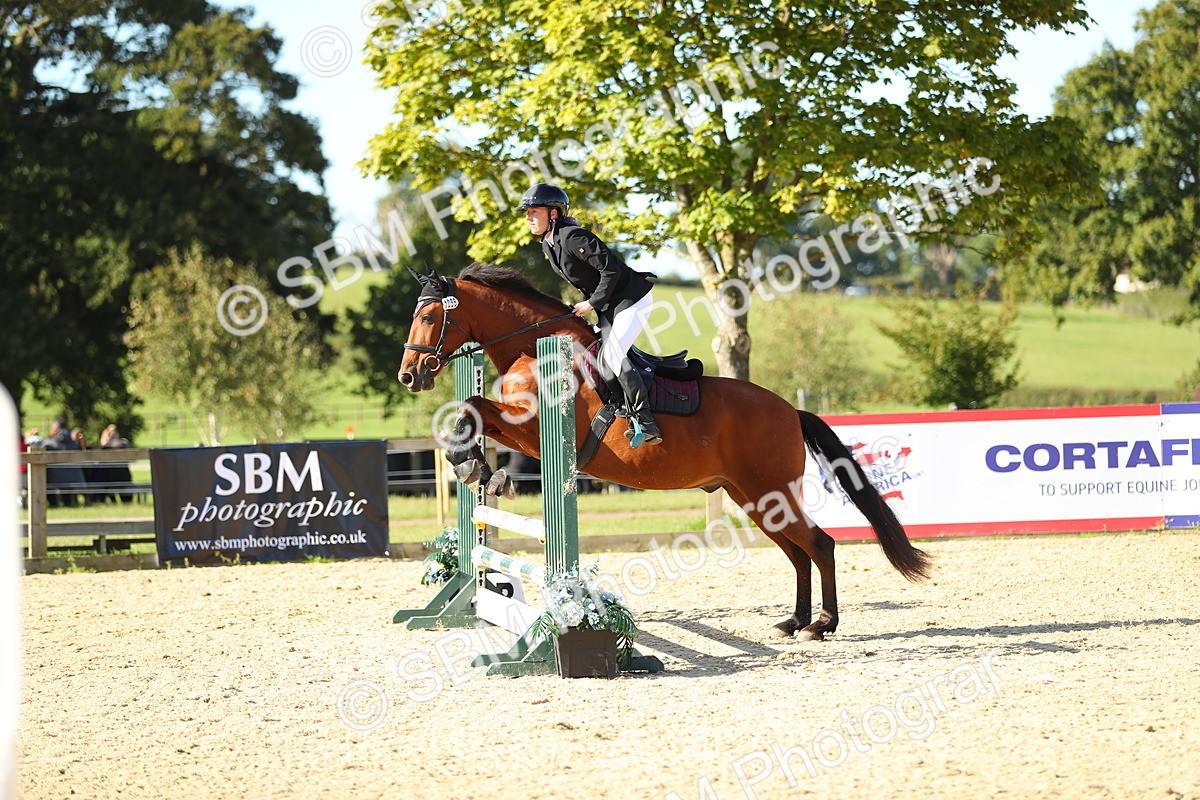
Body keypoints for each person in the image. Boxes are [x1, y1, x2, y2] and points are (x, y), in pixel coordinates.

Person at [518, 182, 663, 446]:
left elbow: (611, 271)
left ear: (553, 213)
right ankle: (621, 407)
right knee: (597, 355)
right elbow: (587, 280)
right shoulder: (549, 245)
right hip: (611, 305)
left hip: (633, 300)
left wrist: (591, 303)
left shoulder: (574, 236)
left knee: (613, 354)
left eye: (534, 211)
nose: (528, 217)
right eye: (527, 212)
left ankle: (646, 421)